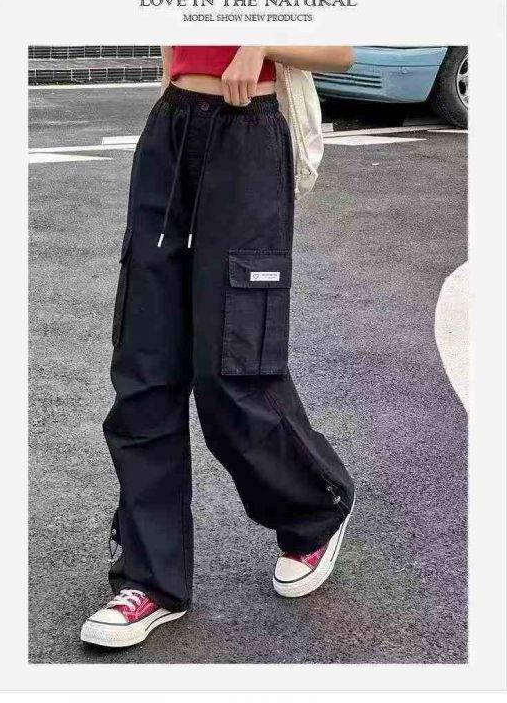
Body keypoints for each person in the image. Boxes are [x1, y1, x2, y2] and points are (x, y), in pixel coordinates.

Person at [81, 45, 356, 648]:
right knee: (144, 365)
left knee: (234, 368)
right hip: (171, 131)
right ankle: (149, 582)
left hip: (247, 138)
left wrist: (258, 44)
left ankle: (314, 509)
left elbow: (339, 50)